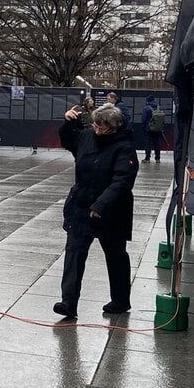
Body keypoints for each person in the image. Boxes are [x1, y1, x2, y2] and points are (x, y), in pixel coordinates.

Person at [55, 102, 139, 319]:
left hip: (112, 210)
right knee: (74, 253)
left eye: (104, 128)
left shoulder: (125, 147)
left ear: (115, 127)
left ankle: (120, 300)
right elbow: (67, 141)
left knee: (115, 255)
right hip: (81, 204)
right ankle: (68, 303)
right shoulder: (86, 137)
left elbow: (123, 180)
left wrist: (101, 204)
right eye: (96, 126)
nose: (98, 131)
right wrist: (68, 123)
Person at [140, 95, 163, 162]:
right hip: (157, 129)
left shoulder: (146, 108)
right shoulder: (158, 108)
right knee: (157, 144)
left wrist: (143, 128)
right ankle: (157, 158)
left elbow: (143, 119)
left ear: (147, 100)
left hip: (148, 129)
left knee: (148, 144)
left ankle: (147, 158)